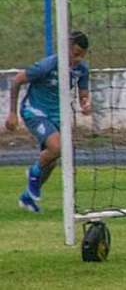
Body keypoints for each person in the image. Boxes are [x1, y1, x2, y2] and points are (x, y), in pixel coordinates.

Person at [5, 31, 91, 213]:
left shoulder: (81, 69)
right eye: (75, 54)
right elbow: (16, 80)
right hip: (34, 111)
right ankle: (33, 173)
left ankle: (28, 196)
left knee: (51, 160)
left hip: (57, 115)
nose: (78, 59)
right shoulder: (47, 66)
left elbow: (83, 93)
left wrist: (86, 103)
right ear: (66, 48)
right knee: (56, 148)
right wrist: (12, 113)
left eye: (81, 56)